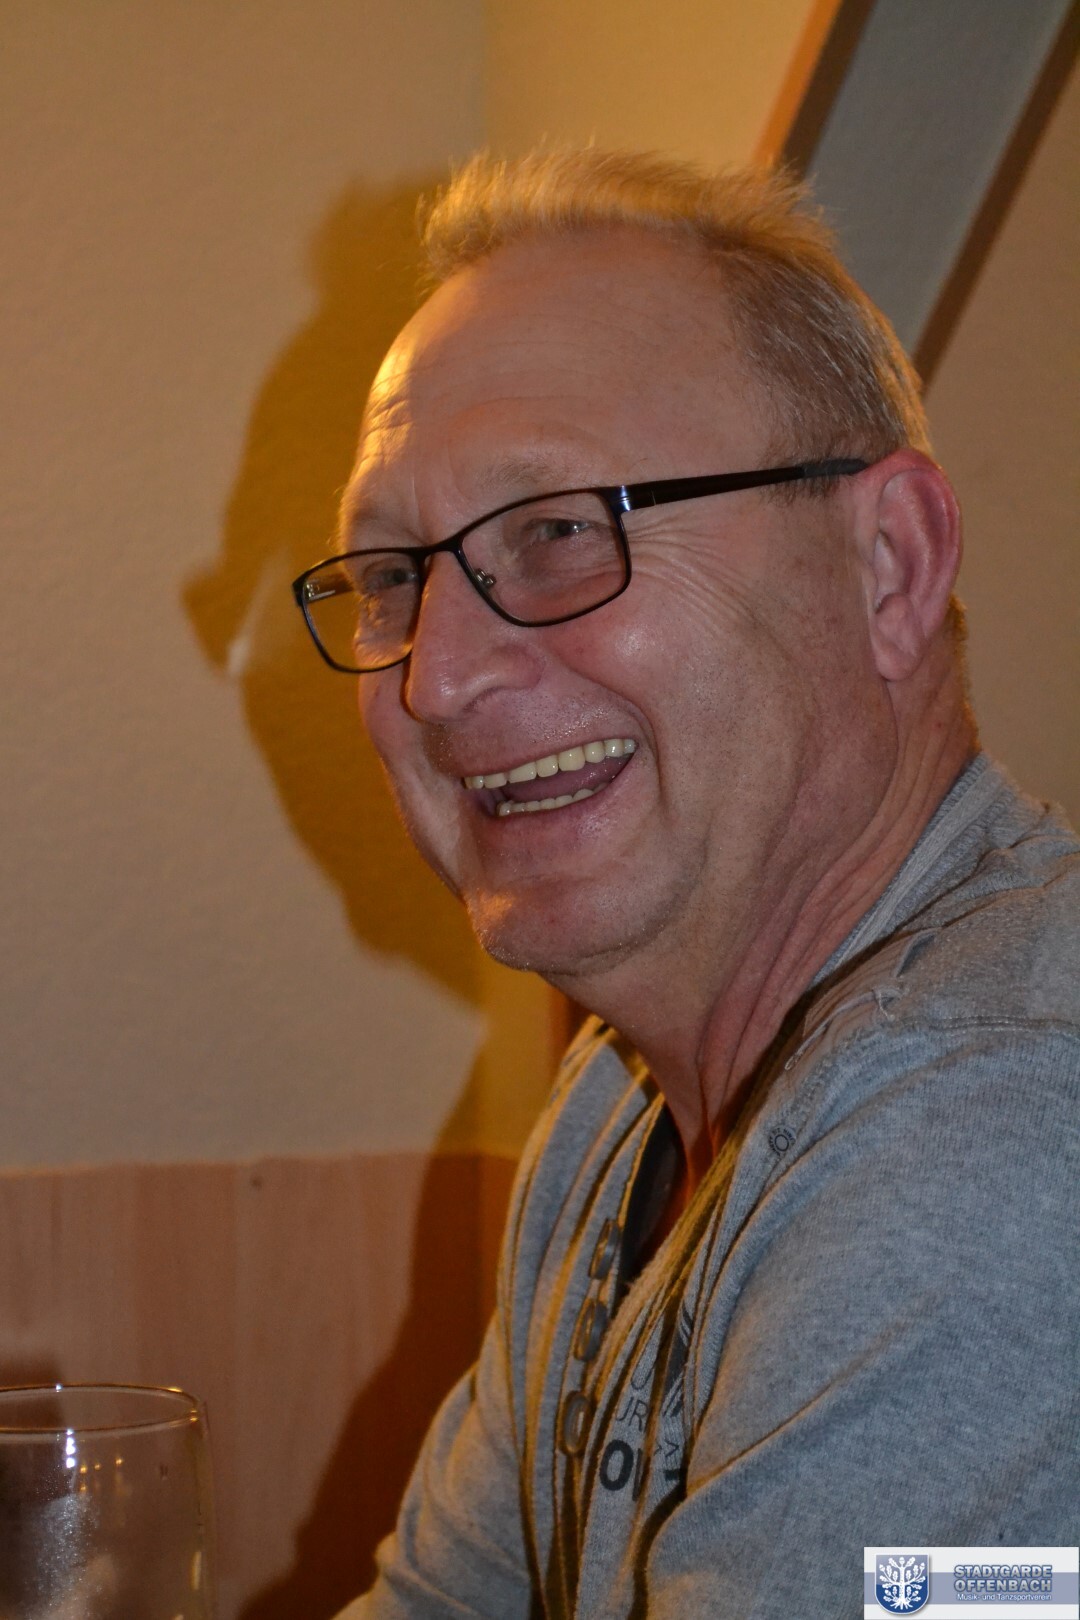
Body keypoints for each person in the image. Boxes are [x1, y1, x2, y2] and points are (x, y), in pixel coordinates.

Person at [292, 150, 1079, 1617]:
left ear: (892, 568)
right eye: (393, 575)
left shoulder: (998, 1121)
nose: (437, 679)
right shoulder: (619, 1113)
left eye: (556, 532)